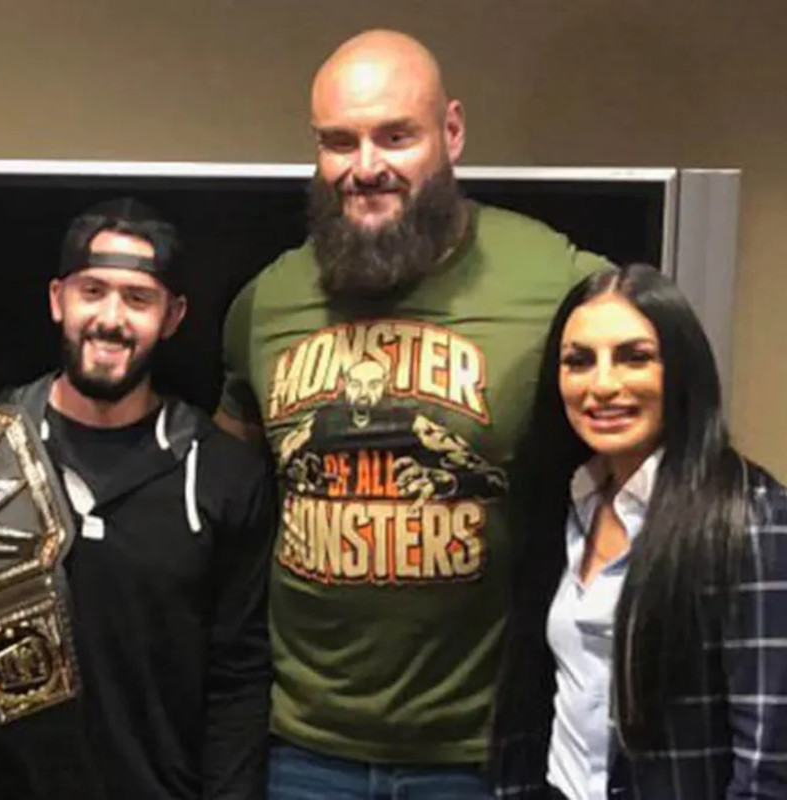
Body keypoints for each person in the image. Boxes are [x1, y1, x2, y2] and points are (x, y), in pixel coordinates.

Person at [214, 28, 612, 799]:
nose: (366, 168)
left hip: (480, 748)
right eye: (339, 141)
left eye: (396, 135)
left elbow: (658, 424)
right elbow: (227, 507)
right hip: (300, 747)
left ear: (452, 132)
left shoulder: (557, 280)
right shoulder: (263, 304)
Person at [0, 197, 276, 799]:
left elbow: (240, 677)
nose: (110, 318)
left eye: (138, 299)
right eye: (93, 291)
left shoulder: (220, 473)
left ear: (173, 317)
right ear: (58, 300)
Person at [492, 263, 787, 799]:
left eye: (635, 357)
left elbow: (769, 761)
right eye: (578, 362)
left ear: (681, 369)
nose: (602, 385)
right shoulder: (561, 502)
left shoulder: (753, 517)